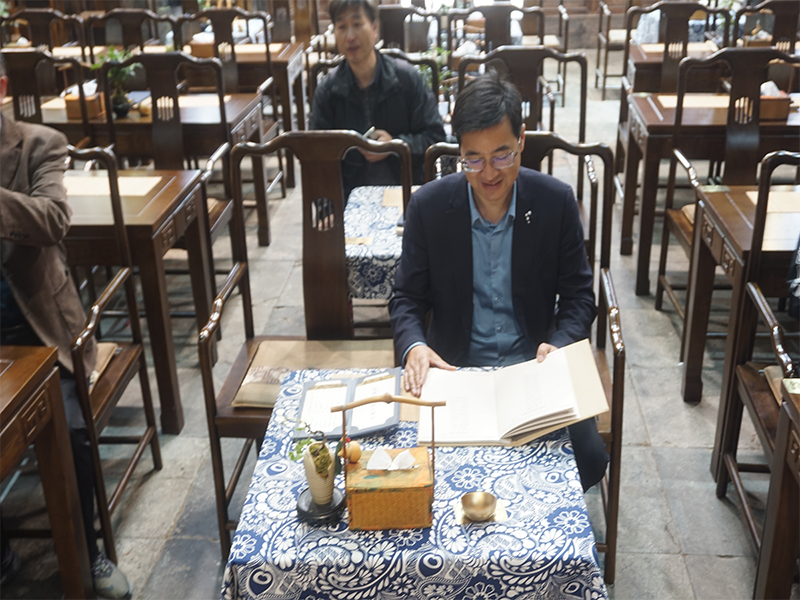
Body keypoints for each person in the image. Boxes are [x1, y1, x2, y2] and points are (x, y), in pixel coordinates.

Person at [389, 71, 608, 491]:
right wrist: (415, 346)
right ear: (459, 153)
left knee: (588, 457)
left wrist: (560, 345)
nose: (488, 173)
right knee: (420, 472)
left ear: (521, 140)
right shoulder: (429, 207)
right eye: (473, 159)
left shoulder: (555, 202)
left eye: (502, 155)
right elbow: (406, 298)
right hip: (455, 369)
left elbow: (580, 297)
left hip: (533, 370)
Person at [0, 53, 132, 600]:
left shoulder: (39, 144)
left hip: (42, 332)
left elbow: (54, 219)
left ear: (1, 87)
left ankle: (86, 551)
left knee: (73, 430)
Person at [308, 0, 446, 198]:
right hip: (348, 199)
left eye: (357, 24)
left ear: (374, 28)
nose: (350, 36)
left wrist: (395, 145)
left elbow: (435, 139)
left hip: (405, 193)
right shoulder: (328, 91)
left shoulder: (406, 79)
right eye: (342, 27)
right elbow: (316, 158)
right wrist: (328, 208)